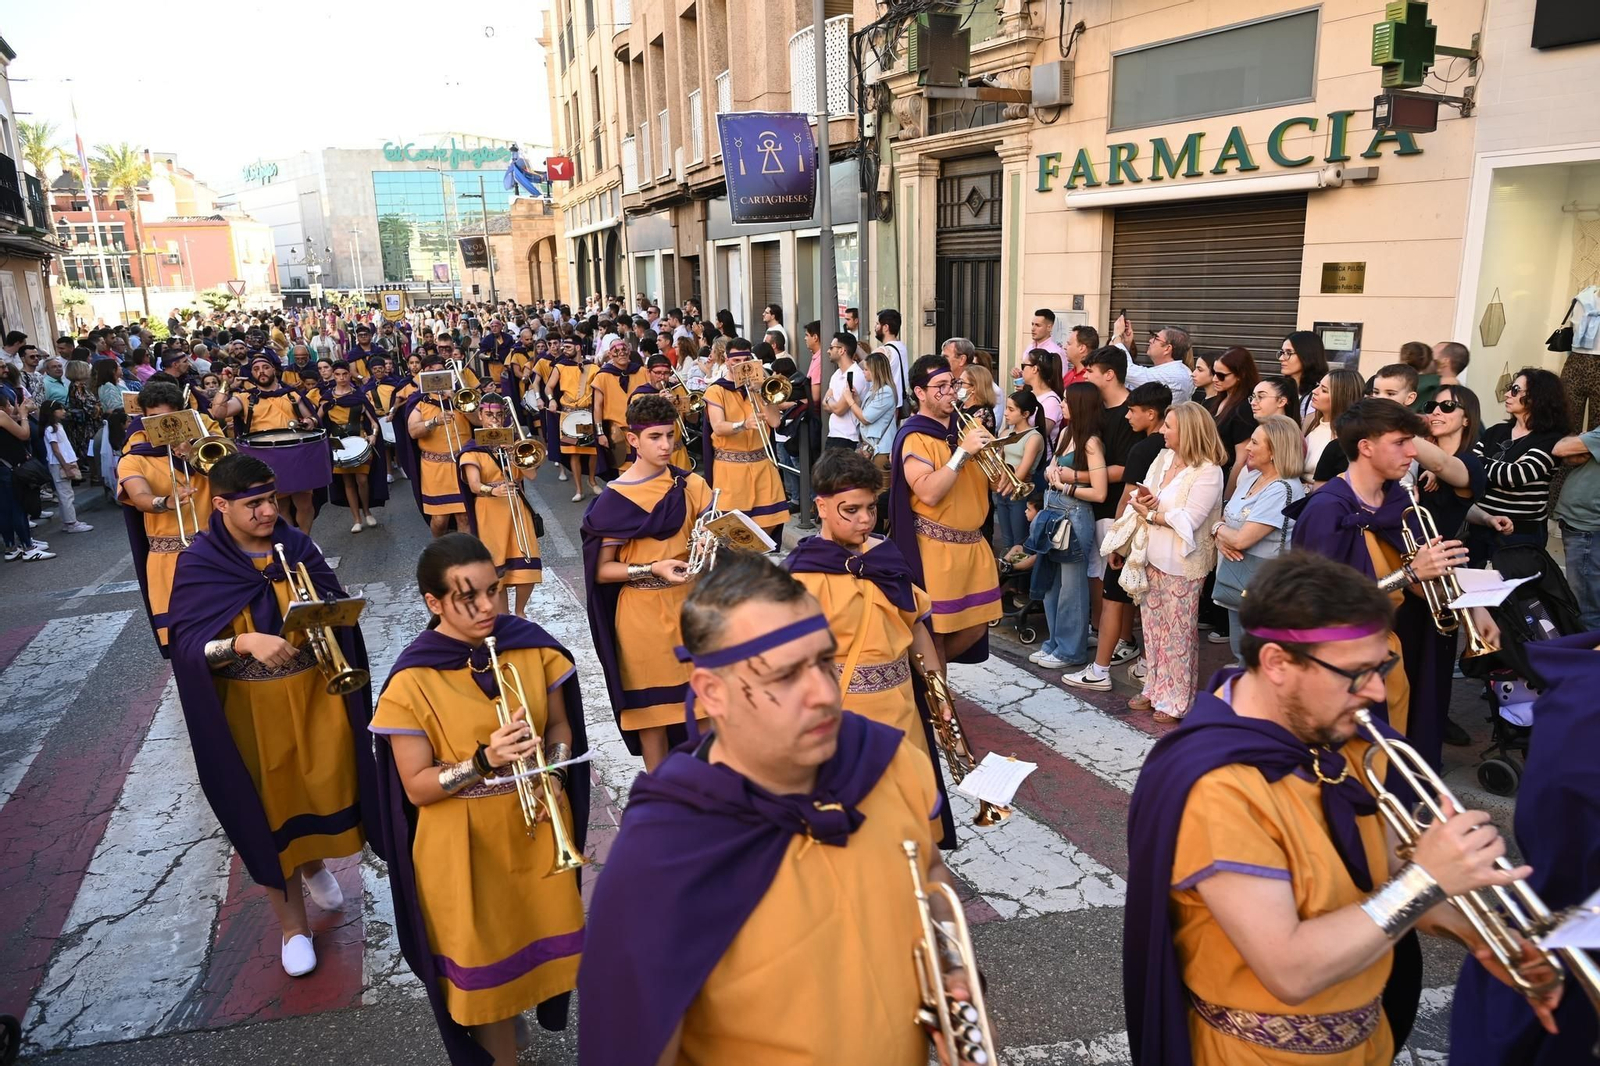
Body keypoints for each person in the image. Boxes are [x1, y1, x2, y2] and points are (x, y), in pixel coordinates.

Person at [1124, 550, 1555, 1066]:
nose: (1376, 691)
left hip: (1369, 1040)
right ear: (1277, 663)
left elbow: (1385, 874)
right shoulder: (1217, 785)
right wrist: (1426, 880)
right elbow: (1290, 969)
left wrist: (1487, 936)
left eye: (1381, 667)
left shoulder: (1340, 737)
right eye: (1356, 673)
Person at [577, 551, 984, 1065]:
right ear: (712, 693)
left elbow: (929, 872)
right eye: (785, 676)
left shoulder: (888, 760)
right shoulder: (663, 853)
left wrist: (953, 975)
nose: (824, 694)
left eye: (825, 661)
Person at [369, 534, 586, 1066]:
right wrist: (484, 761)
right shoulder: (410, 679)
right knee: (485, 973)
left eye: (493, 590)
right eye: (468, 597)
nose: (488, 606)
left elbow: (560, 726)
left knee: (535, 950)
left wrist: (555, 772)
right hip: (463, 844)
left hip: (537, 828)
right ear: (434, 602)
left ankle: (508, 1023)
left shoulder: (532, 646)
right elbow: (416, 786)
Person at [167, 453, 381, 978]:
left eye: (271, 499)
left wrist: (335, 612)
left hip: (315, 699)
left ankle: (313, 865)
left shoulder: (297, 544)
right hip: (252, 712)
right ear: (221, 506)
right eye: (255, 504)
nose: (269, 512)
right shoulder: (200, 562)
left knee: (321, 791)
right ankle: (293, 928)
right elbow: (187, 646)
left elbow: (331, 602)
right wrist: (242, 641)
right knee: (268, 812)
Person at [783, 450, 954, 847]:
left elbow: (916, 629)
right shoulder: (800, 576)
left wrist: (939, 694)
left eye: (870, 508)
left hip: (902, 710)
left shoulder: (885, 557)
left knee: (906, 825)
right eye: (851, 510)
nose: (864, 519)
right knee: (857, 834)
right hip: (842, 720)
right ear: (821, 507)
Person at [1288, 398, 1471, 740]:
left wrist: (1464, 594)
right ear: (1366, 447)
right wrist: (1410, 574)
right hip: (1342, 665)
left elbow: (1420, 583)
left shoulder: (1398, 500)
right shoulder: (1326, 510)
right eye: (1400, 442)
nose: (1412, 452)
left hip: (1392, 652)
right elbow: (1319, 606)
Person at [581, 393, 713, 769]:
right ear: (633, 439)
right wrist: (652, 569)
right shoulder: (613, 500)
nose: (665, 445)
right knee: (652, 720)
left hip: (692, 609)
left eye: (670, 435)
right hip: (641, 615)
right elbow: (602, 570)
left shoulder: (692, 485)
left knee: (705, 713)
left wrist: (711, 543)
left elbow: (713, 539)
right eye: (655, 437)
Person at [889, 355, 1003, 663]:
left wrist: (1002, 474)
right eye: (939, 386)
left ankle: (921, 673)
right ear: (920, 392)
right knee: (935, 634)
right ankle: (935, 690)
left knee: (977, 627)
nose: (950, 391)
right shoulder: (915, 436)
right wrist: (963, 452)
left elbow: (994, 481)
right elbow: (928, 492)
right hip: (936, 549)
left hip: (975, 546)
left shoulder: (969, 426)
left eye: (951, 384)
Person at [1063, 382, 1171, 692]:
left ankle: (1100, 670)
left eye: (1133, 411)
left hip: (1133, 532)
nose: (1127, 417)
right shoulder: (1170, 450)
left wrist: (1116, 541)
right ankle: (1146, 662)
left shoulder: (1143, 449)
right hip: (1156, 535)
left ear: (1151, 414)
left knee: (1112, 599)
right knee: (1148, 602)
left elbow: (1126, 497)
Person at [1122, 402, 1226, 721]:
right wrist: (1147, 503)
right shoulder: (1164, 457)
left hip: (1183, 564)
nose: (1163, 431)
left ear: (1189, 432)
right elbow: (1143, 496)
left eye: (1169, 426)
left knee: (1178, 634)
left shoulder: (1209, 471)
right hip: (1151, 555)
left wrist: (1152, 513)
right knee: (1153, 630)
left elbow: (1190, 520)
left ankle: (1177, 699)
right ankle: (1154, 688)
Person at [1405, 384, 1487, 760]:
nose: (1437, 411)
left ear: (1467, 418)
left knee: (1431, 675)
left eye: (1448, 406)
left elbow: (1446, 469)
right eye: (1432, 406)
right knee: (1402, 670)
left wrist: (1396, 423)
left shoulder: (1469, 463)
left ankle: (1424, 757)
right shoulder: (1421, 461)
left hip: (1437, 582)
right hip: (1407, 573)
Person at [116, 382, 215, 650]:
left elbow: (236, 481)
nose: (164, 426)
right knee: (185, 645)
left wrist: (193, 454)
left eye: (170, 418)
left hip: (215, 551)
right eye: (154, 419)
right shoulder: (133, 459)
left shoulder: (205, 449)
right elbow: (139, 497)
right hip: (168, 562)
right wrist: (165, 502)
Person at [1027, 381, 1108, 670]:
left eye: (1066, 400)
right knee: (1052, 584)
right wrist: (1052, 473)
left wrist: (1066, 485)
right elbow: (1053, 468)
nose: (1061, 404)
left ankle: (1071, 650)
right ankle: (1056, 642)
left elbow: (1099, 492)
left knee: (1072, 588)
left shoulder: (1091, 442)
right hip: (1054, 512)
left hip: (1074, 515)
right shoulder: (1065, 433)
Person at [1212, 415, 1306, 662]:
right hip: (1238, 578)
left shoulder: (1283, 489)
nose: (1247, 448)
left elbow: (1240, 540)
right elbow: (1225, 517)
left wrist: (1218, 530)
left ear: (1274, 451)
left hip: (1262, 585)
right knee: (1241, 650)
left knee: (1257, 657)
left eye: (1255, 443)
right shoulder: (1252, 477)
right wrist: (1220, 533)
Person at [210, 349, 326, 534]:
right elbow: (218, 413)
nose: (261, 371)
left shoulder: (291, 395)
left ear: (274, 370)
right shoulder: (245, 398)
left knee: (304, 502)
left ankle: (304, 540)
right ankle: (289, 541)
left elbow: (312, 418)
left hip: (295, 455)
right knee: (278, 505)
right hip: (263, 458)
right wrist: (225, 384)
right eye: (256, 369)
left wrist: (310, 422)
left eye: (265, 367)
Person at [1468, 367, 1571, 565]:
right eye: (1510, 388)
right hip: (1480, 526)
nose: (1507, 394)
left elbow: (1514, 476)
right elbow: (1468, 467)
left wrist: (1479, 463)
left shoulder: (1551, 440)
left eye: (1515, 390)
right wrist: (1480, 465)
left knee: (1515, 585)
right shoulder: (1496, 431)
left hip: (1520, 534)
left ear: (1537, 398)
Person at [456, 396, 543, 618]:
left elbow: (531, 475)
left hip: (516, 507)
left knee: (527, 560)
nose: (494, 419)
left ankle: (520, 612)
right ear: (480, 416)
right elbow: (474, 485)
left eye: (498, 415)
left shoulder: (513, 444)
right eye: (488, 415)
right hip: (489, 510)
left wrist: (513, 451)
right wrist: (492, 490)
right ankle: (504, 618)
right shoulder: (472, 449)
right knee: (497, 568)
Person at [701, 340, 789, 542]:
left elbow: (775, 422)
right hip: (730, 469)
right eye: (736, 361)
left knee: (768, 525)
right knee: (733, 531)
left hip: (762, 466)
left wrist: (762, 393)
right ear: (726, 360)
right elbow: (718, 426)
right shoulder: (716, 390)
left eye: (746, 360)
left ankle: (759, 560)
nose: (742, 365)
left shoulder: (760, 389)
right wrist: (743, 424)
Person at [398, 354, 476, 537]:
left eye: (440, 371)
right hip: (434, 468)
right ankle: (440, 549)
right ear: (422, 375)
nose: (436, 375)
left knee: (464, 517)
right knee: (440, 520)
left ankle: (464, 553)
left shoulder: (460, 396)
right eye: (430, 371)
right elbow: (413, 431)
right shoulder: (418, 400)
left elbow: (478, 421)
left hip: (462, 464)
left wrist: (456, 398)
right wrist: (434, 422)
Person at [321, 360, 386, 533]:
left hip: (360, 441)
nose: (341, 378)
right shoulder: (327, 398)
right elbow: (317, 420)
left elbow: (374, 422)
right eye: (338, 374)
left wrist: (374, 435)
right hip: (339, 445)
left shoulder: (360, 397)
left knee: (362, 480)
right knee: (348, 482)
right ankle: (356, 519)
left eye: (345, 374)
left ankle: (367, 511)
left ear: (350, 375)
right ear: (333, 376)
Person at [1553, 416, 1600, 629]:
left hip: (1587, 529)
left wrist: (1581, 441)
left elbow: (1561, 449)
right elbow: (1571, 457)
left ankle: (1588, 650)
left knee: (1587, 609)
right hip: (1583, 527)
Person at [546, 338, 602, 500]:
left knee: (592, 450)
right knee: (573, 453)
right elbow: (549, 387)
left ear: (578, 347)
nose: (565, 349)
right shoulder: (560, 366)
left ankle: (592, 480)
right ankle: (578, 490)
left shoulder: (593, 367)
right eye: (564, 347)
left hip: (587, 414)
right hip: (568, 415)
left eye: (568, 347)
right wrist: (551, 399)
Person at [0, 393, 52, 561]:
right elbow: (24, 434)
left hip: (2, 468)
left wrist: (18, 413)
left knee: (4, 510)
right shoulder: (0, 415)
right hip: (10, 469)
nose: (11, 406)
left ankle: (11, 548)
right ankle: (28, 548)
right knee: (18, 507)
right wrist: (23, 415)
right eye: (9, 404)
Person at [993, 390, 1044, 555]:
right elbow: (998, 463)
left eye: (1011, 409)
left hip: (1020, 493)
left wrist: (1004, 474)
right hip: (1003, 490)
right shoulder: (1006, 433)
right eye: (1006, 408)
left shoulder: (1033, 437)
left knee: (1019, 542)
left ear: (1025, 414)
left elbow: (1022, 472)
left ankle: (1018, 570)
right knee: (1006, 541)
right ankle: (1006, 567)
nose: (1006, 413)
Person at [1210, 347, 1260, 496]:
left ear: (1240, 375)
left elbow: (1241, 459)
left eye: (1221, 375)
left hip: (1224, 479)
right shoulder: (1219, 400)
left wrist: (1228, 496)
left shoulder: (1244, 408)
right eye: (1213, 373)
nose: (1214, 379)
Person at [1304, 369, 1366, 488]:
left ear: (1342, 397)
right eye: (1318, 385)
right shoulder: (1310, 421)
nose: (1314, 391)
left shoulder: (1348, 436)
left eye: (1324, 390)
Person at [1113, 318, 1197, 399]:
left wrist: (1117, 336)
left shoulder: (1174, 374)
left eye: (1156, 338)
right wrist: (1126, 344)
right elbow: (1132, 384)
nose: (1150, 340)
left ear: (1167, 349)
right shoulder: (1176, 371)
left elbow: (1128, 371)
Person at [41, 400, 92, 534]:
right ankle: (71, 523)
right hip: (59, 464)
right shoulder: (51, 429)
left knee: (66, 493)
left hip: (64, 462)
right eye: (60, 409)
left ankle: (67, 521)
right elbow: (56, 450)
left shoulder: (57, 426)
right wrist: (66, 467)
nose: (63, 412)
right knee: (66, 494)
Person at [821, 332, 866, 451]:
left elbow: (839, 410)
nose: (828, 351)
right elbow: (824, 405)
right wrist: (831, 402)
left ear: (842, 350)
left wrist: (829, 400)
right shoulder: (836, 374)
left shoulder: (856, 375)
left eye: (831, 347)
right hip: (833, 434)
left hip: (848, 437)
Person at [1277, 329, 1330, 421]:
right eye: (1282, 352)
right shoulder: (1279, 389)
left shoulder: (1317, 394)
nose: (1281, 358)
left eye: (1288, 353)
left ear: (1306, 356)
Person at [1018, 346, 1065, 441]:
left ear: (1034, 369)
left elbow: (1040, 434)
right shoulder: (1028, 394)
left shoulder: (1051, 401)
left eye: (1023, 366)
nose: (1021, 370)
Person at [873, 308, 909, 406]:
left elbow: (865, 368)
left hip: (884, 405)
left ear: (885, 327)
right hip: (899, 402)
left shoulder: (883, 351)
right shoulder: (901, 347)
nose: (875, 327)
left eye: (877, 324)